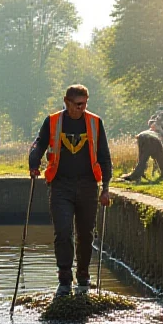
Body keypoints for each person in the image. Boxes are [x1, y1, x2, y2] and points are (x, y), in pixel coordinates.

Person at [29, 84, 112, 297]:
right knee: (63, 232)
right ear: (66, 102)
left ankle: (83, 276)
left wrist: (106, 188)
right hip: (60, 185)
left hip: (87, 186)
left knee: (86, 234)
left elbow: (104, 156)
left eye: (85, 104)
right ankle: (64, 279)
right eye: (78, 104)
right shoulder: (53, 121)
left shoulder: (95, 122)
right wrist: (34, 161)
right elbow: (39, 144)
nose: (82, 108)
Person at [119, 112, 163, 182]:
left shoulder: (153, 127)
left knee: (142, 159)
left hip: (141, 136)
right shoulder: (161, 129)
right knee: (161, 158)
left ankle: (138, 174)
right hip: (153, 138)